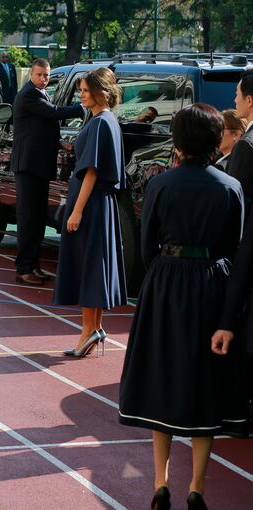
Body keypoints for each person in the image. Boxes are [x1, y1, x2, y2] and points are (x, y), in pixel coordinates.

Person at [118, 104, 247, 510]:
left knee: (162, 377)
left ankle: (160, 481)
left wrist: (164, 273)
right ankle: (196, 487)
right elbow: (235, 247)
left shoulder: (160, 184)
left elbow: (146, 246)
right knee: (202, 384)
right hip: (211, 284)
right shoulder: (230, 187)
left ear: (177, 141)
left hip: (166, 284)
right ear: (215, 140)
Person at [53, 68, 127, 356]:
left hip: (91, 204)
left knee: (87, 265)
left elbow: (92, 172)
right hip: (100, 204)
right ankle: (93, 328)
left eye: (85, 90)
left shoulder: (99, 123)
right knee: (94, 265)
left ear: (100, 92)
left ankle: (87, 331)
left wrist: (77, 211)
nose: (81, 95)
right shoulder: (107, 121)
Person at [11, 58, 85, 286]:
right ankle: (24, 269)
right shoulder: (30, 94)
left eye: (46, 75)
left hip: (38, 166)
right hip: (29, 167)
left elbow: (42, 126)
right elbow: (53, 114)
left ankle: (33, 265)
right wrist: (82, 108)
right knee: (28, 219)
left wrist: (60, 142)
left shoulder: (38, 93)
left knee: (37, 219)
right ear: (31, 75)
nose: (44, 79)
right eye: (40, 75)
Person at [226, 70, 253, 203]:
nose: (235, 100)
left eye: (237, 94)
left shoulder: (245, 144)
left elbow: (236, 199)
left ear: (249, 100)